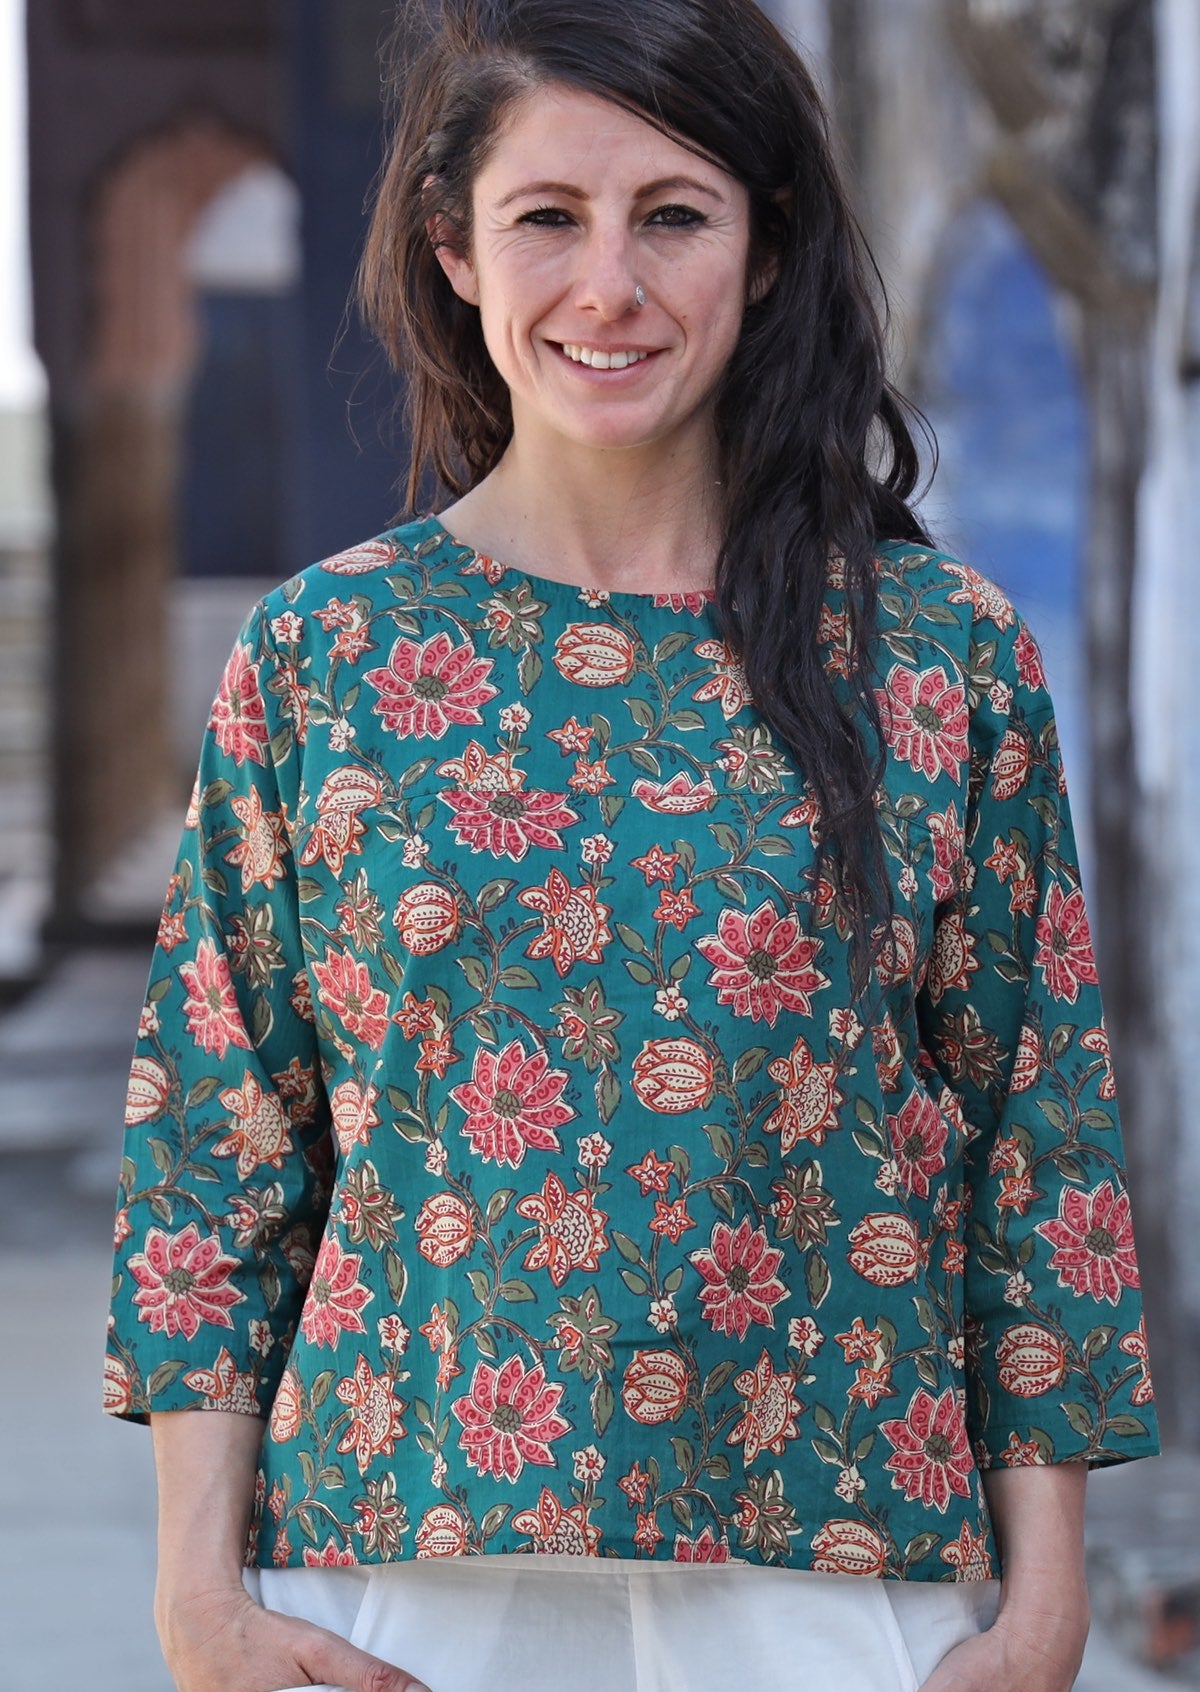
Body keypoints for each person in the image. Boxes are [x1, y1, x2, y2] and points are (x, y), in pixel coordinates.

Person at [104, 2, 1162, 1689]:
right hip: (403, 1567)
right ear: (454, 249)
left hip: (842, 1575)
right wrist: (195, 1595)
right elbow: (219, 1152)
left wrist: (1045, 1602)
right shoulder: (328, 660)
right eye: (548, 217)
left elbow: (1032, 1145)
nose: (611, 286)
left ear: (769, 242)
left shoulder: (938, 653)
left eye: (674, 213)